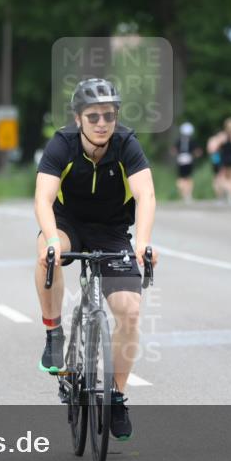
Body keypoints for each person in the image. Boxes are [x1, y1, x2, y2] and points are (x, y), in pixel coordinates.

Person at [34, 77, 158, 441]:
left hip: (111, 230)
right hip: (66, 223)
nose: (102, 122)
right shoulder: (61, 145)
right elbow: (43, 198)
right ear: (78, 119)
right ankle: (53, 332)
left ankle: (117, 396)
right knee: (47, 257)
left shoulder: (127, 145)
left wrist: (144, 242)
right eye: (93, 116)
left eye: (109, 115)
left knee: (130, 311)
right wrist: (53, 239)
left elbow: (145, 195)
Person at [172, 121, 202, 202]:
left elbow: (173, 150)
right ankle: (188, 195)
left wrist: (177, 155)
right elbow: (198, 152)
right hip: (188, 160)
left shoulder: (179, 140)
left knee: (181, 178)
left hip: (181, 160)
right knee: (188, 178)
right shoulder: (192, 141)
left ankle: (183, 194)